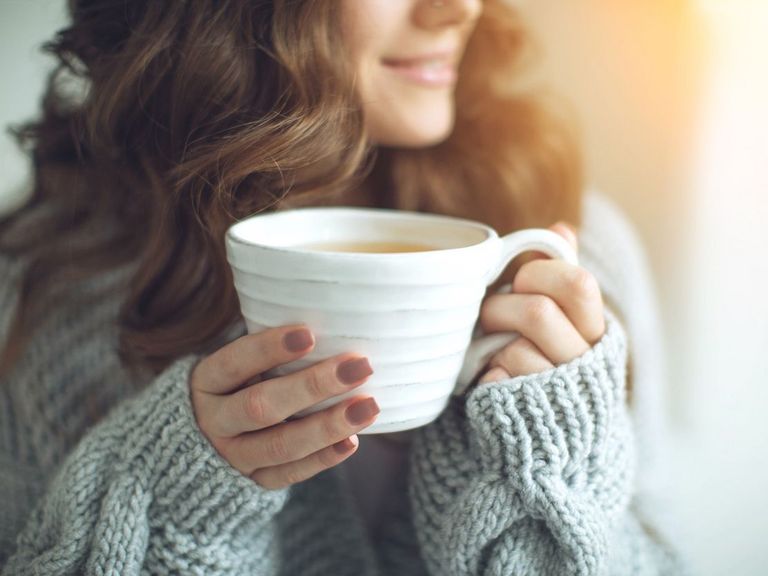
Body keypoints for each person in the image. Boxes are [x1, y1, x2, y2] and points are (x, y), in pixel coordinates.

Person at [0, 0, 687, 574]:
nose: (459, 9)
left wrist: (553, 465)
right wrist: (173, 499)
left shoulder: (574, 255)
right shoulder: (52, 292)